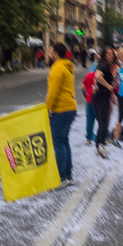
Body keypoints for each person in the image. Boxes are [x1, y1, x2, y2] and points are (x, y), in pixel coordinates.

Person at [46, 43, 78, 185]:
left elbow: (53, 92)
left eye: (50, 51)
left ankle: (62, 177)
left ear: (55, 53)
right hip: (70, 107)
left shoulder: (57, 68)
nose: (48, 53)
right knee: (64, 141)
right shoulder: (67, 66)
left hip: (61, 109)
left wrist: (47, 109)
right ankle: (68, 175)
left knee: (58, 143)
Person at [92, 47, 117, 159]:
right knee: (103, 122)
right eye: (108, 54)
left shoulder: (102, 64)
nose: (110, 55)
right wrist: (108, 86)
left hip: (98, 95)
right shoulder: (104, 65)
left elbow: (96, 77)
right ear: (103, 55)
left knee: (101, 122)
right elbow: (97, 76)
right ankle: (101, 146)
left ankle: (98, 145)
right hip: (102, 96)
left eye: (112, 53)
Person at [82, 63, 98, 146]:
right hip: (99, 99)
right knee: (102, 118)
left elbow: (83, 86)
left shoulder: (88, 75)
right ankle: (104, 135)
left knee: (90, 119)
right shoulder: (99, 75)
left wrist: (86, 94)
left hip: (89, 99)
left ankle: (89, 136)